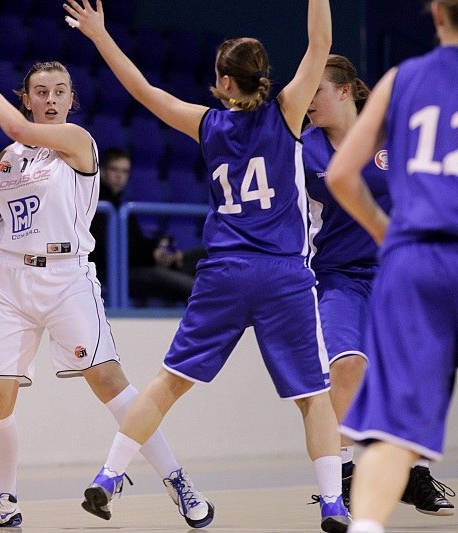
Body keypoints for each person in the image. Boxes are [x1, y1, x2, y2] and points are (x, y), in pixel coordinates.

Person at [63, 1, 350, 531]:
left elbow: (143, 91)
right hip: (282, 274)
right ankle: (333, 503)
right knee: (314, 397)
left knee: (168, 383)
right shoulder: (287, 112)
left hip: (224, 273)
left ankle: (109, 475)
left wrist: (100, 35)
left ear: (223, 81)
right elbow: (319, 44)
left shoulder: (206, 124)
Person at [0, 62, 214, 529]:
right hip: (9, 278)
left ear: (71, 100)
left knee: (109, 382)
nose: (50, 99)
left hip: (66, 277)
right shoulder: (8, 156)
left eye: (59, 91)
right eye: (41, 91)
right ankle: (3, 500)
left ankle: (177, 479)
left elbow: (17, 127)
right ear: (26, 98)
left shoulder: (77, 141)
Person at [325, 1, 458, 531]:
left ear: (436, 12)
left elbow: (341, 175)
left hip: (412, 260)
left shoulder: (401, 79)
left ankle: (367, 525)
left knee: (392, 431)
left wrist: (386, 232)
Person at [89, 147, 207, 305]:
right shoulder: (98, 206)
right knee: (192, 286)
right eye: (114, 169)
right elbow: (109, 252)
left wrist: (160, 246)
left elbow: (137, 241)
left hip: (142, 263)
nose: (119, 176)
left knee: (205, 253)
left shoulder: (120, 203)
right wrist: (153, 256)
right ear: (102, 171)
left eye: (124, 171)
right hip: (122, 273)